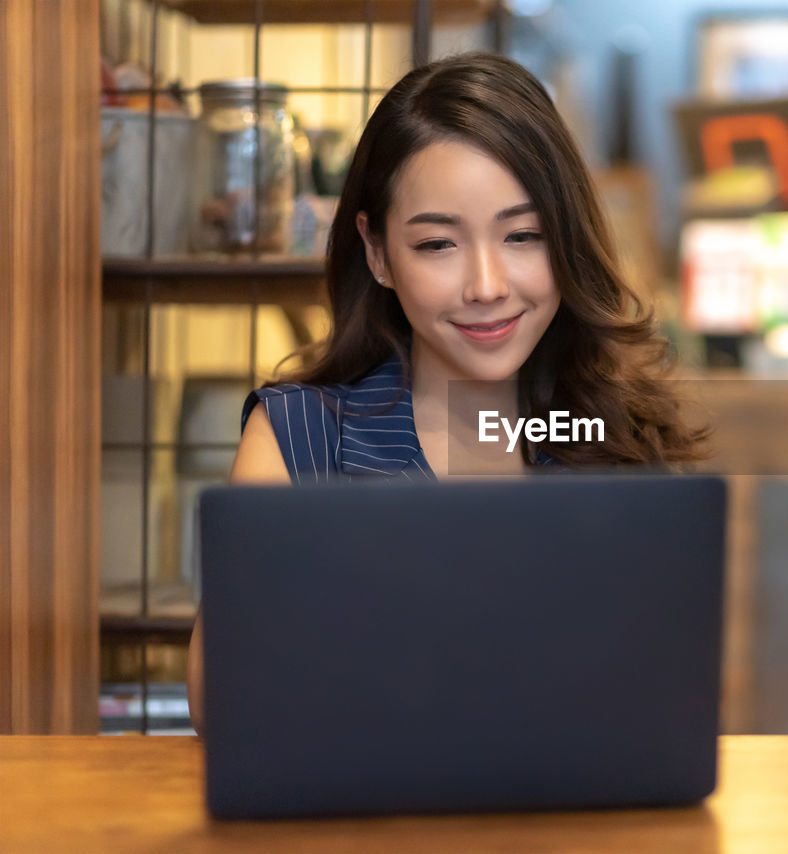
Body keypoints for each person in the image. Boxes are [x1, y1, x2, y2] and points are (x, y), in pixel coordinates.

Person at [186, 52, 708, 733]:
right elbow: (222, 707)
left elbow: (664, 701)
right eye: (438, 244)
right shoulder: (299, 439)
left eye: (524, 235)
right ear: (376, 252)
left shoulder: (618, 437)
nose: (487, 285)